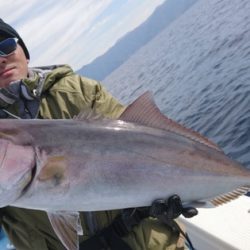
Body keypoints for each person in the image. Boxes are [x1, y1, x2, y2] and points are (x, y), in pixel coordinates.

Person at [0, 19, 192, 250]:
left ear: (23, 50)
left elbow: (140, 140)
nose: (1, 59)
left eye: (7, 45)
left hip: (147, 241)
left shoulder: (76, 91)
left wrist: (174, 190)